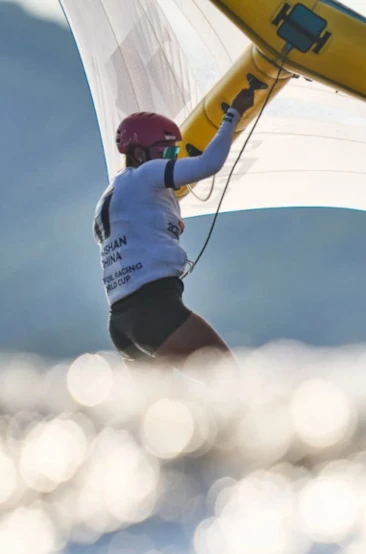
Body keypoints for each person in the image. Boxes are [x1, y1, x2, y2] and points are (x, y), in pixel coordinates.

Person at [94, 88, 256, 365]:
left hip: (121, 323)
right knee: (227, 381)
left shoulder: (112, 194)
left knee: (160, 406)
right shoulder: (146, 174)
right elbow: (209, 163)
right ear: (138, 153)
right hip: (154, 309)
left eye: (176, 151)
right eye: (167, 151)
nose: (173, 158)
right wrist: (234, 113)